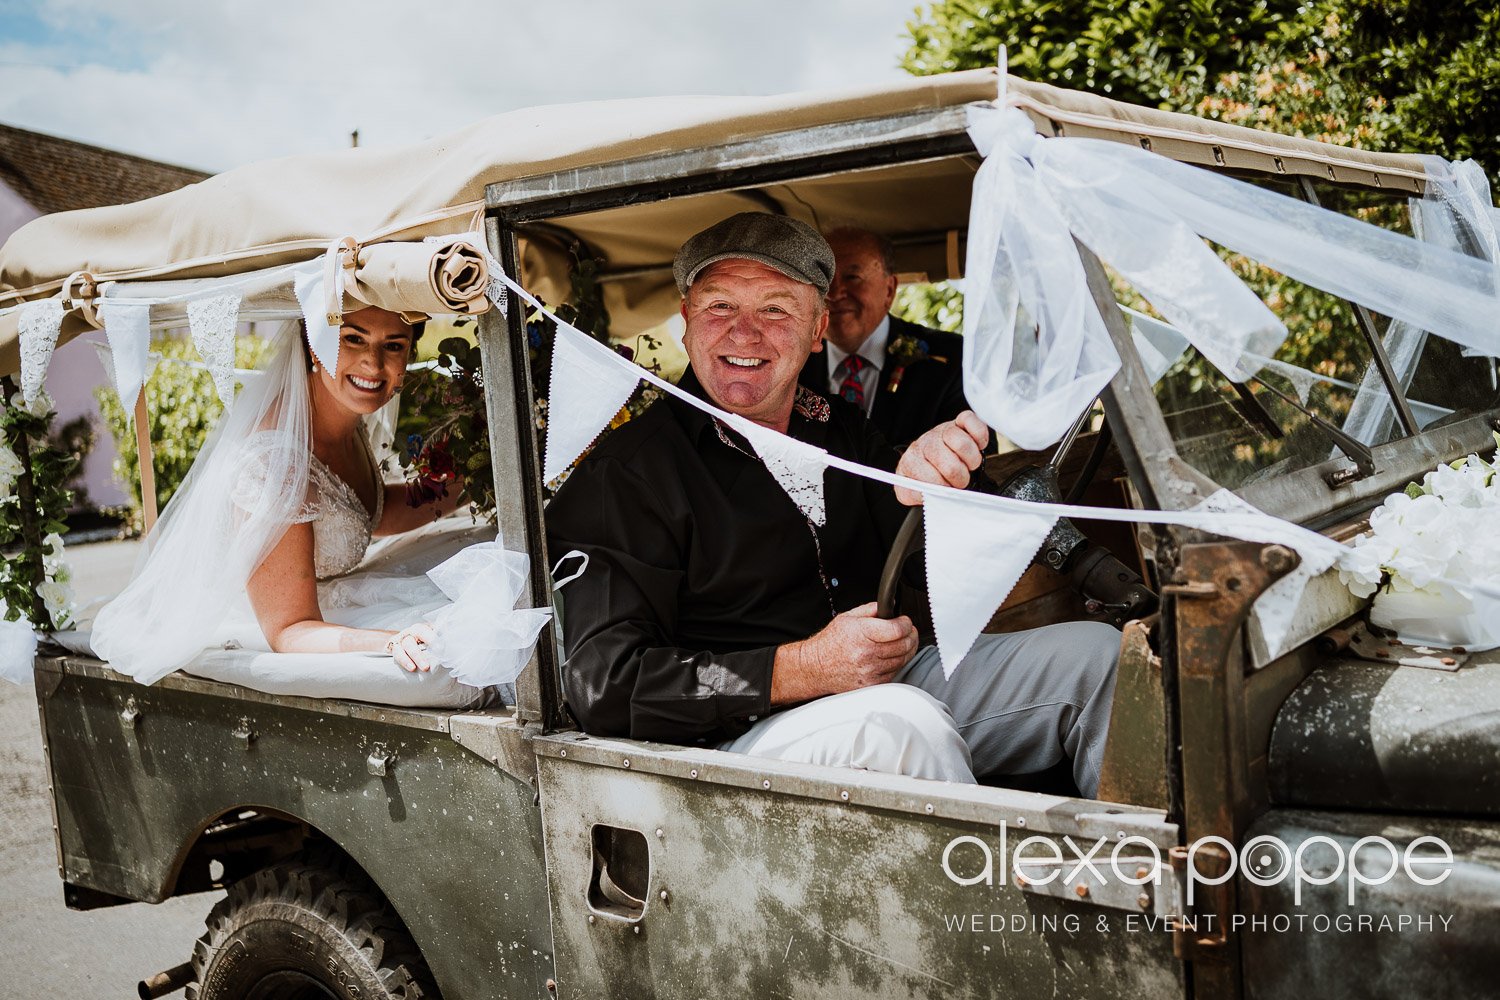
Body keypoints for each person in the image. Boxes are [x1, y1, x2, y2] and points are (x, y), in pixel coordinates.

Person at [547, 213, 1119, 796]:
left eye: (775, 309)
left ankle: (1148, 876)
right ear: (687, 319)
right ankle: (986, 882)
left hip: (888, 680)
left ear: (817, 326)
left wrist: (937, 481)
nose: (744, 334)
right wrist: (802, 667)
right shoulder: (629, 472)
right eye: (720, 306)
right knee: (902, 729)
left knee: (1097, 657)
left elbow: (941, 562)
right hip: (735, 736)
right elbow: (604, 685)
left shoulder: (839, 427)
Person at [92, 306, 474, 685]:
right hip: (280, 623)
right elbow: (289, 630)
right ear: (313, 345)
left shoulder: (344, 413)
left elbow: (368, 513)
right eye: (352, 339)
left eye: (393, 346)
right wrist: (391, 641)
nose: (372, 364)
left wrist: (477, 479)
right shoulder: (275, 465)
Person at [798, 226, 971, 447]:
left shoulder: (952, 361)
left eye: (853, 277)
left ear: (889, 290)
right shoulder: (793, 360)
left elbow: (980, 465)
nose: (834, 293)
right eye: (824, 280)